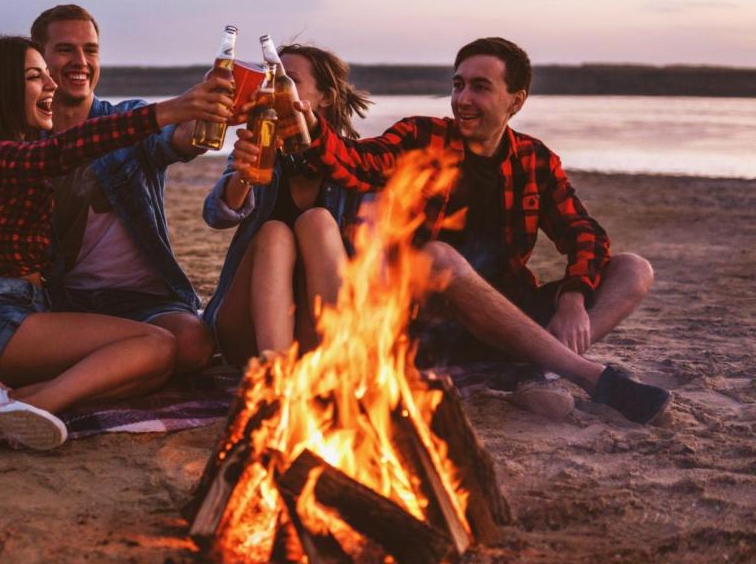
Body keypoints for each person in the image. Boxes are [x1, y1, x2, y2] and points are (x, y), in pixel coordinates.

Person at [234, 37, 670, 424]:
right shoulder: (422, 137)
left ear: (515, 100)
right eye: (458, 84)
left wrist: (574, 295)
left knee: (634, 269)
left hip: (507, 311)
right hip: (429, 322)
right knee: (438, 256)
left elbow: (584, 233)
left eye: (480, 87)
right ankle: (585, 375)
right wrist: (307, 126)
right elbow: (353, 161)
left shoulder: (535, 160)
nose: (462, 98)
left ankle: (540, 369)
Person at [0, 5, 219, 420]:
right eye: (57, 57)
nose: (75, 65)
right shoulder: (11, 151)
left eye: (91, 50)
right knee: (153, 348)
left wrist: (208, 109)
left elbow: (180, 140)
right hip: (23, 310)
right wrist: (171, 107)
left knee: (156, 364)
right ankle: (2, 401)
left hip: (47, 306)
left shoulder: (107, 123)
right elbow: (58, 154)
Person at [202, 44, 372, 365]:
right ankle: (273, 373)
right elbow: (216, 215)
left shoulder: (350, 160)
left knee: (318, 221)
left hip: (315, 330)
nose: (275, 87)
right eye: (271, 79)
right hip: (246, 330)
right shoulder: (260, 146)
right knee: (274, 232)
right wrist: (243, 175)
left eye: (288, 79)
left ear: (325, 97)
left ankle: (340, 361)